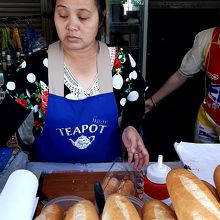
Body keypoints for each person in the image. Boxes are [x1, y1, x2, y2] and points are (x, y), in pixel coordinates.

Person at [0, 0, 149, 170]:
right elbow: (4, 123)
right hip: (48, 181)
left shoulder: (121, 65)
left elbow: (135, 104)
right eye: (63, 15)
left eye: (83, 17)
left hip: (108, 179)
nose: (71, 25)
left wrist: (130, 126)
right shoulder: (36, 68)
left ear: (101, 18)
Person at [145, 27, 220, 143]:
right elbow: (181, 75)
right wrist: (152, 101)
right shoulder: (207, 38)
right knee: (201, 159)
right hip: (208, 118)